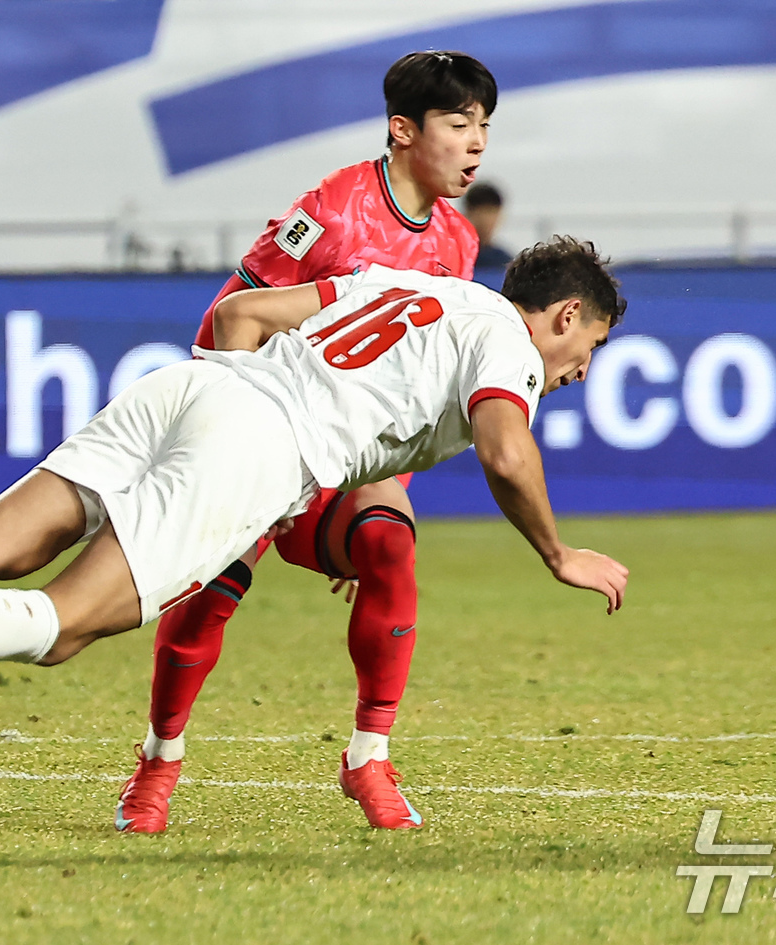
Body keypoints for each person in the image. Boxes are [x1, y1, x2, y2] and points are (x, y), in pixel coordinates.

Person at [0, 239, 631, 837]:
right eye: (586, 350)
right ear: (561, 316)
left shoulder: (410, 286)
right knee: (63, 625)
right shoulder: (506, 342)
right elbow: (508, 455)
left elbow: (243, 315)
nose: (580, 371)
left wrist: (240, 426)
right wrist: (560, 553)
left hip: (194, 388)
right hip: (260, 442)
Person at [138, 50, 495, 832]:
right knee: (210, 591)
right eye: (459, 124)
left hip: (349, 453)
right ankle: (159, 762)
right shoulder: (330, 210)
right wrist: (222, 453)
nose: (476, 144)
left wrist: (382, 483)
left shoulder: (458, 246)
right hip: (265, 430)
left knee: (388, 542)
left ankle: (369, 757)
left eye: (484, 127)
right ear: (404, 130)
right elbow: (231, 315)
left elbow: (422, 385)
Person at [464, 182, 515, 270]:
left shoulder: (504, 261)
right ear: (468, 213)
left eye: (492, 212)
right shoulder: (453, 256)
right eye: (481, 213)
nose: (487, 220)